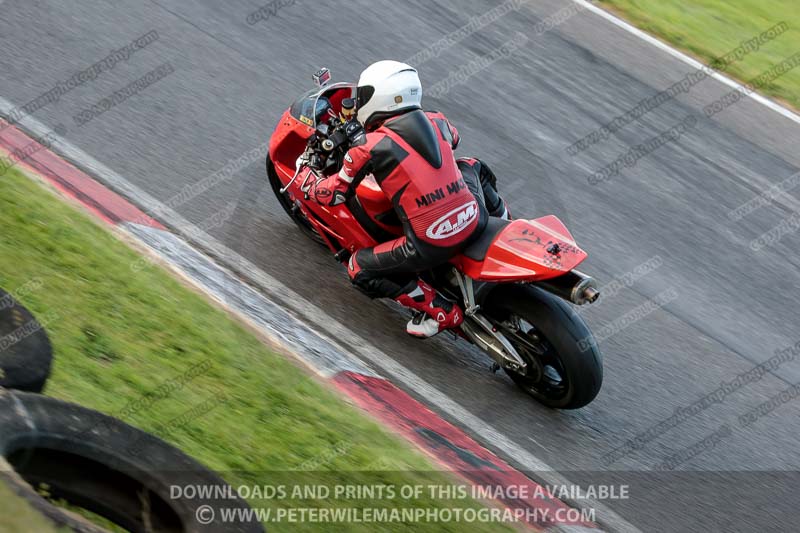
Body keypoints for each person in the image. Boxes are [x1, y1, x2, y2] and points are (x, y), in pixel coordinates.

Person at [311, 60, 509, 338]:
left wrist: (311, 181)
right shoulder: (438, 121)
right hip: (474, 217)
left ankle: (440, 311)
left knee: (358, 268)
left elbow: (331, 194)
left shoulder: (368, 146)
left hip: (430, 243)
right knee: (471, 164)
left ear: (379, 98)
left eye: (364, 95)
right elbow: (454, 137)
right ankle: (505, 220)